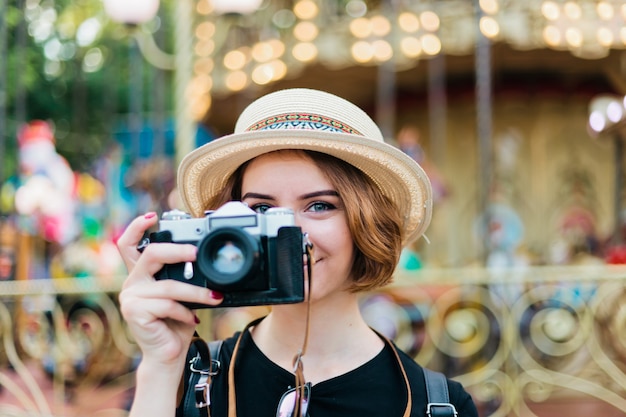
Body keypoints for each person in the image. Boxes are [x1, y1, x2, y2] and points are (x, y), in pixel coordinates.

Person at [116, 88, 478, 417]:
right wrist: (161, 366)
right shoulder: (188, 381)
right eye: (260, 210)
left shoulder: (440, 404)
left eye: (319, 205)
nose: (290, 232)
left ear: (365, 222)